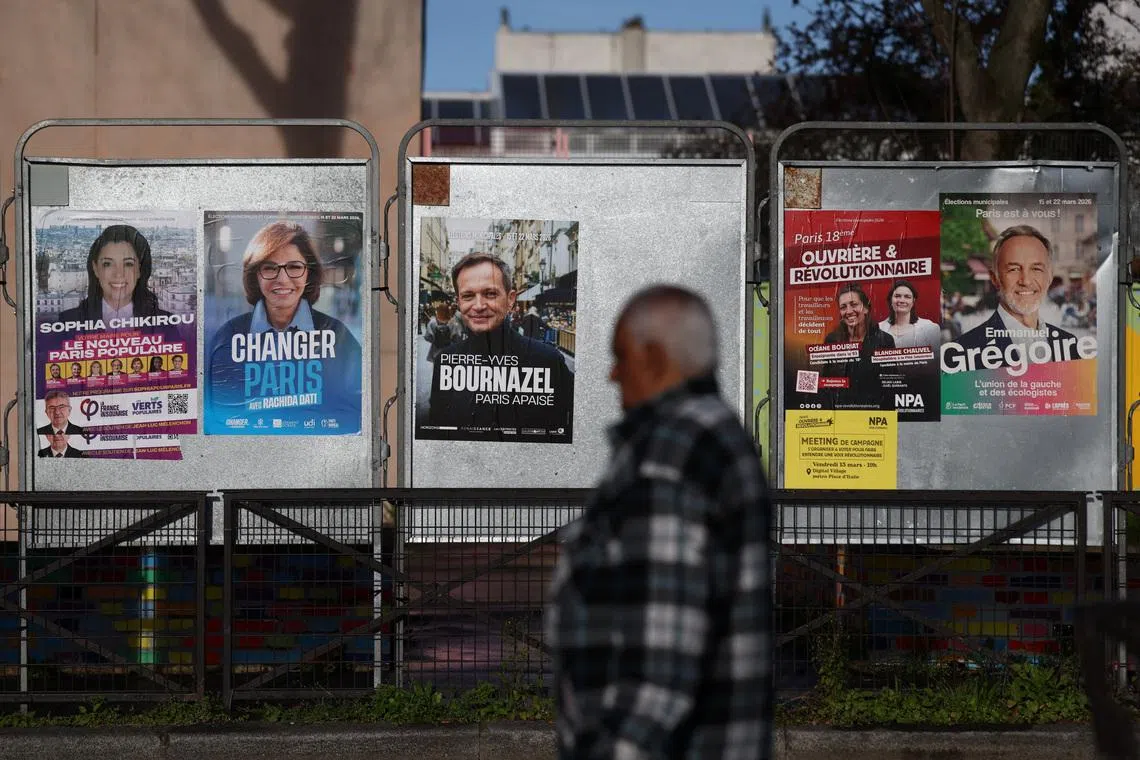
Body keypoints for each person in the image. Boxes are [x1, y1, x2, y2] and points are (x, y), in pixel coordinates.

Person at [548, 285, 771, 760]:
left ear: (651, 358)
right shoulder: (717, 434)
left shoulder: (672, 450)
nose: (611, 374)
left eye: (619, 357)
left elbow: (659, 669)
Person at [206, 221, 362, 413]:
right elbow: (220, 417)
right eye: (270, 268)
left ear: (309, 274)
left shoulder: (338, 337)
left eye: (295, 267)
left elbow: (355, 414)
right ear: (256, 275)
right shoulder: (227, 339)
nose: (282, 279)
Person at [425, 253, 572, 438]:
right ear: (459, 302)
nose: (478, 306)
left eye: (490, 293)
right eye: (468, 295)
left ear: (510, 299)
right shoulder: (446, 362)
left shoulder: (548, 361)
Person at [952, 225, 1081, 362]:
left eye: (1036, 269)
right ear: (995, 278)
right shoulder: (962, 353)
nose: (1025, 281)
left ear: (1049, 277)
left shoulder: (1069, 345)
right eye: (1013, 269)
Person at [58, 224, 169, 323]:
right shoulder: (67, 322)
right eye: (107, 264)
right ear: (95, 268)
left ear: (140, 270)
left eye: (128, 264)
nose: (118, 274)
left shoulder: (166, 323)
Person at [821, 283, 895, 408]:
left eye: (854, 304)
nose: (849, 311)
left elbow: (890, 388)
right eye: (843, 307)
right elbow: (826, 387)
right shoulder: (832, 340)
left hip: (873, 418)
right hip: (840, 418)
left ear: (866, 308)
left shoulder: (884, 341)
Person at [878, 280, 940, 349]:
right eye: (897, 296)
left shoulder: (929, 327)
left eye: (907, 297)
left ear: (913, 301)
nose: (902, 300)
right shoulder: (878, 329)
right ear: (890, 300)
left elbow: (936, 358)